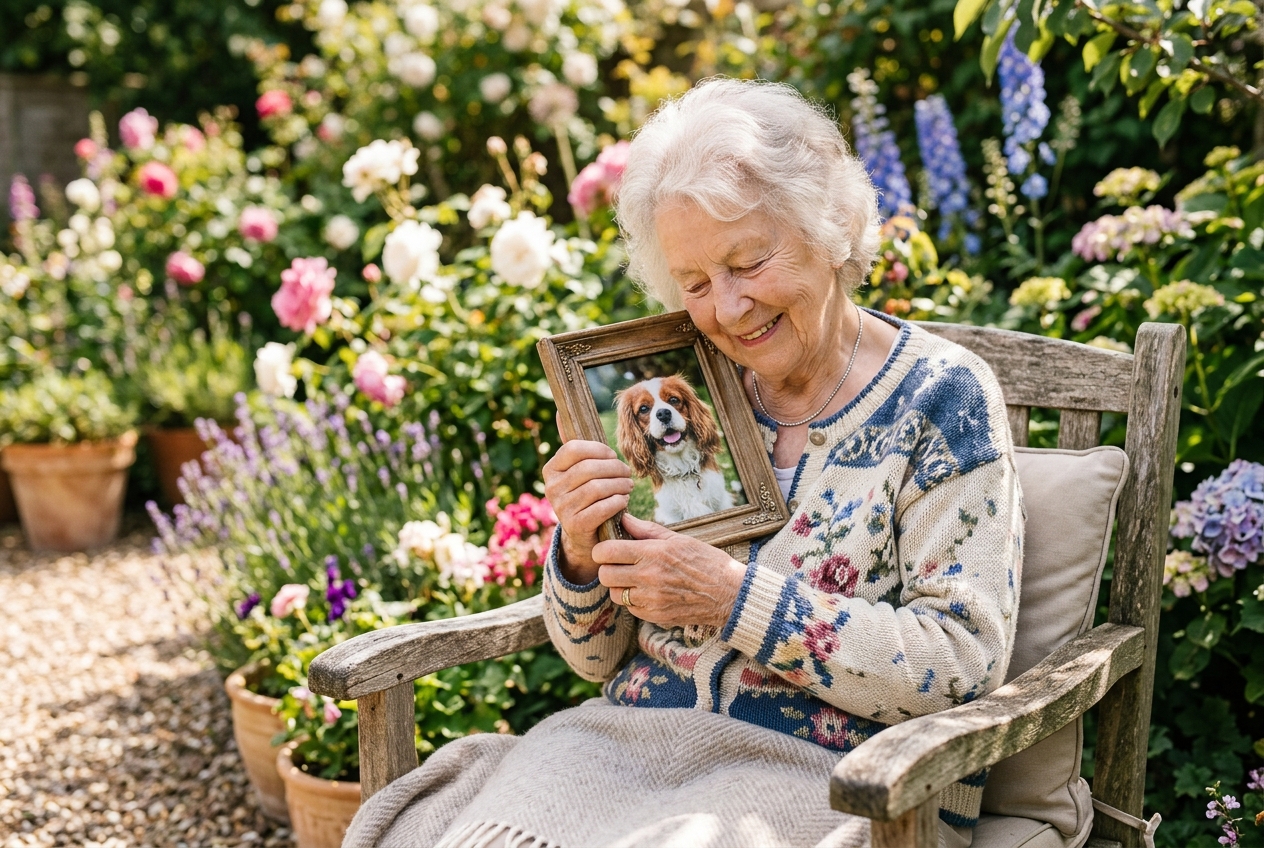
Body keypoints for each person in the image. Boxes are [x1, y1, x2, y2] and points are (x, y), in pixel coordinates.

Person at [344, 78, 1021, 848]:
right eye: (696, 283)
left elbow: (961, 661)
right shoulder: (691, 387)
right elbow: (596, 656)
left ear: (831, 227)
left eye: (749, 262)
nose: (728, 309)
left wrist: (734, 597)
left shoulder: (941, 397)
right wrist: (579, 545)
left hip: (834, 775)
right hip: (629, 748)